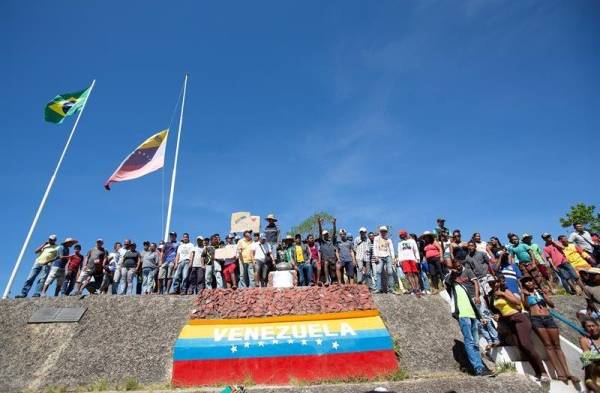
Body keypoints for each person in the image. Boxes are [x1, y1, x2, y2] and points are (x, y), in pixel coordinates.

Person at [489, 275, 549, 383]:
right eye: (490, 283)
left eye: (494, 282)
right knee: (520, 346)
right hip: (509, 322)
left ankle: (544, 372)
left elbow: (517, 302)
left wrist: (502, 294)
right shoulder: (493, 296)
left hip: (518, 318)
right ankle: (537, 372)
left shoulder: (505, 290)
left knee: (526, 344)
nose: (492, 284)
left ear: (498, 282)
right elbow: (504, 309)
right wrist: (499, 316)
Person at [520, 276, 578, 383]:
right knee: (548, 345)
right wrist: (525, 294)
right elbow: (526, 306)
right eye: (526, 282)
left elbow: (551, 304)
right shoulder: (525, 294)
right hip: (536, 318)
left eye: (530, 281)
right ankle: (559, 373)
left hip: (548, 317)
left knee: (557, 345)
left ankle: (568, 372)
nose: (529, 283)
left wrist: (543, 294)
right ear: (524, 285)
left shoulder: (539, 292)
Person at [444, 260, 492, 376]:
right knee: (469, 341)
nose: (458, 268)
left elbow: (472, 304)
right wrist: (453, 272)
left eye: (459, 266)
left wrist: (479, 316)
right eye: (455, 267)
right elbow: (448, 281)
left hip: (472, 315)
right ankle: (478, 368)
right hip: (463, 315)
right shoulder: (451, 282)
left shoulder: (464, 287)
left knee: (475, 343)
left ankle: (481, 367)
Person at [373, 226, 396, 294]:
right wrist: (376, 256)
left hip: (388, 256)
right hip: (379, 256)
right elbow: (375, 247)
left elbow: (391, 249)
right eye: (382, 231)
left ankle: (391, 288)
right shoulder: (376, 238)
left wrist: (393, 258)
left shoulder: (388, 239)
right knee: (378, 271)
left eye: (385, 231)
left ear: (386, 232)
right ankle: (378, 288)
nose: (383, 232)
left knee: (390, 272)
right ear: (380, 231)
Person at [579, 318, 600, 392]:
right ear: (585, 329)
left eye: (593, 325)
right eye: (588, 326)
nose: (591, 328)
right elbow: (588, 362)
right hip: (594, 376)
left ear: (598, 326)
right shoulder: (585, 340)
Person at [397, 230, 420, 295]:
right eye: (401, 235)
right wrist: (400, 261)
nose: (402, 236)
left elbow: (416, 250)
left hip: (412, 258)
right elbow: (399, 252)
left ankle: (417, 288)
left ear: (406, 234)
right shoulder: (400, 243)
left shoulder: (412, 241)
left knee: (415, 273)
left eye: (403, 234)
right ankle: (413, 288)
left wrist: (418, 259)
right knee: (409, 274)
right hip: (404, 260)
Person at [317, 216, 338, 285]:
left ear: (328, 234)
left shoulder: (331, 241)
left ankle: (333, 280)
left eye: (326, 234)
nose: (326, 235)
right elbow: (320, 232)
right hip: (325, 259)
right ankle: (327, 280)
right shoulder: (322, 241)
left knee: (333, 272)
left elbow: (334, 233)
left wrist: (334, 224)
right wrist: (319, 223)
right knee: (326, 264)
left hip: (332, 258)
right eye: (324, 235)